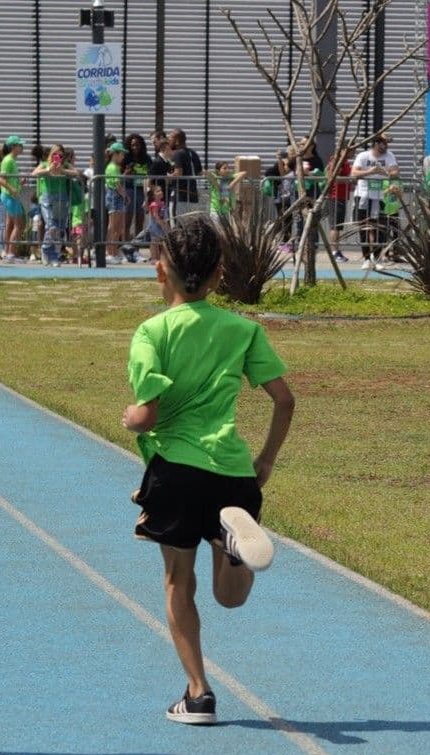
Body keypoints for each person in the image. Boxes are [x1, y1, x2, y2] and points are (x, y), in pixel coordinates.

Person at [121, 215, 295, 726]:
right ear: (219, 275)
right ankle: (235, 552)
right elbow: (284, 401)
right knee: (230, 596)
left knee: (179, 581)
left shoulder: (151, 333)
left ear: (160, 273)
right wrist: (264, 461)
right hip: (234, 473)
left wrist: (134, 418)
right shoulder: (244, 330)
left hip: (176, 470)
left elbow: (147, 414)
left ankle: (198, 694)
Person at [351, 134, 399, 271]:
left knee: (381, 228)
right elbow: (354, 173)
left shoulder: (389, 155)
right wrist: (370, 171)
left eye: (387, 142)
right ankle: (366, 258)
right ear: (376, 143)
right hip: (363, 195)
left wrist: (385, 173)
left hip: (382, 196)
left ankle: (377, 258)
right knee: (364, 227)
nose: (387, 145)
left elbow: (395, 171)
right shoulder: (363, 156)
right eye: (384, 143)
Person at [33, 143, 70, 266]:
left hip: (62, 197)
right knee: (51, 225)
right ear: (50, 154)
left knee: (59, 227)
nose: (57, 156)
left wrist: (63, 171)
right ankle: (45, 249)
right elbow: (34, 173)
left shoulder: (64, 165)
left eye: (60, 154)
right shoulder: (44, 164)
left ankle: (54, 255)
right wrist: (48, 170)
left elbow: (77, 173)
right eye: (54, 154)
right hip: (47, 198)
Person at [0, 135, 27, 262]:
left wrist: (20, 184)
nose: (22, 147)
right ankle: (10, 254)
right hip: (9, 196)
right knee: (19, 225)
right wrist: (12, 189)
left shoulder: (11, 160)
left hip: (11, 196)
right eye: (20, 145)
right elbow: (1, 180)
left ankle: (9, 253)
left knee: (10, 225)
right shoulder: (8, 160)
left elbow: (9, 179)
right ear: (13, 147)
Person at [167, 129, 204, 221]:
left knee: (176, 224)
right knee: (190, 225)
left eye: (170, 138)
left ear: (177, 141)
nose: (168, 141)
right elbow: (200, 172)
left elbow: (179, 173)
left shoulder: (178, 153)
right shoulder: (193, 153)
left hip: (180, 194)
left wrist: (168, 177)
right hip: (193, 195)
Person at [104, 140, 129, 264]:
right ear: (115, 154)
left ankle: (114, 251)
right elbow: (117, 185)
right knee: (113, 226)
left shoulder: (116, 167)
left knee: (118, 227)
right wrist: (125, 196)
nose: (123, 156)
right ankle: (110, 253)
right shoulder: (112, 167)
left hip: (117, 197)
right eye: (121, 154)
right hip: (114, 196)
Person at [147, 184, 167, 261]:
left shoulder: (162, 203)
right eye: (158, 191)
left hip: (161, 225)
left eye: (161, 190)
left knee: (160, 241)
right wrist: (161, 223)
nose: (161, 192)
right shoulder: (154, 204)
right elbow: (155, 216)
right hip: (155, 225)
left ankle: (159, 257)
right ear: (153, 195)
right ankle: (154, 257)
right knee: (154, 241)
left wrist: (165, 223)